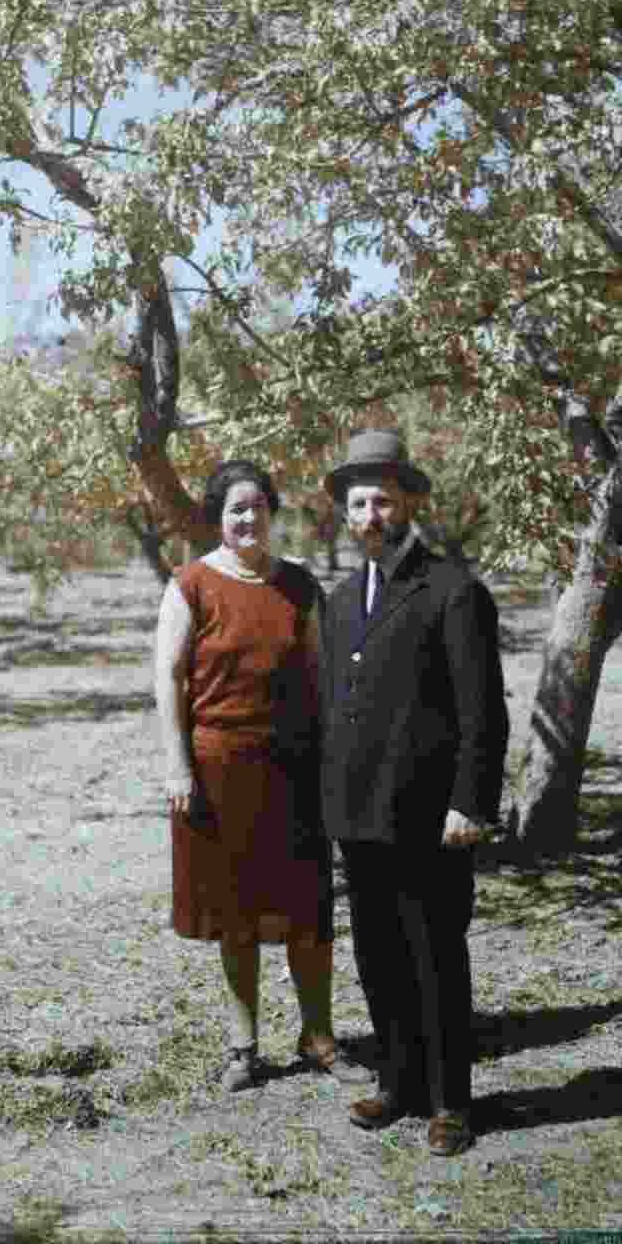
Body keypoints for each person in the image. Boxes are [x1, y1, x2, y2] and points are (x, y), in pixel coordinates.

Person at [319, 429, 508, 1156]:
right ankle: (399, 1083)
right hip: (358, 816)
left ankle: (450, 1102)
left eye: (384, 500)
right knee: (377, 955)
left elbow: (482, 710)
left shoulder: (454, 591)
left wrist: (472, 799)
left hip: (430, 817)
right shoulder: (338, 603)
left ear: (412, 503)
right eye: (358, 502)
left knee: (435, 956)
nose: (370, 514)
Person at [155, 460, 368, 1093]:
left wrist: (337, 761)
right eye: (235, 509)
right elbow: (167, 679)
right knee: (234, 913)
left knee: (308, 910)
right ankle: (243, 1045)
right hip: (218, 772)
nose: (248, 519)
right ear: (219, 519)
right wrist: (177, 764)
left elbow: (325, 677)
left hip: (295, 771)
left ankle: (318, 1036)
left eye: (257, 507)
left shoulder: (301, 588)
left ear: (274, 513)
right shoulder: (190, 586)